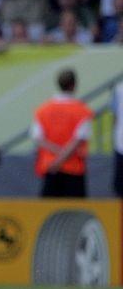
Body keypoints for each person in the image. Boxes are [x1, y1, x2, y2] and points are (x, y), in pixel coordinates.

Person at [31, 69, 95, 198]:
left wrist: (56, 159)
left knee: (49, 214)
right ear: (74, 85)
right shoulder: (82, 111)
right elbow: (78, 140)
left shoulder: (43, 110)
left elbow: (38, 138)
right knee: (74, 214)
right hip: (73, 169)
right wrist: (62, 157)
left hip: (50, 166)